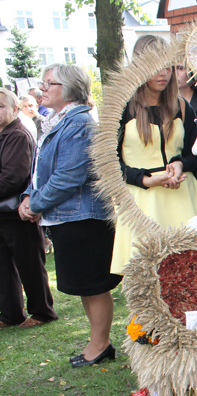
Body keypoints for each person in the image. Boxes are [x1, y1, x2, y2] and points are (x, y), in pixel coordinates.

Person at [18, 64, 121, 367]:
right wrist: (29, 195)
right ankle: (97, 342)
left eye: (50, 83)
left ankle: (100, 344)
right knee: (84, 285)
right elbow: (40, 170)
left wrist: (35, 204)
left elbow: (69, 177)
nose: (42, 88)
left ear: (69, 89)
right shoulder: (56, 120)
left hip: (83, 218)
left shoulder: (78, 124)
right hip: (67, 217)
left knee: (94, 285)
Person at [111, 35, 197, 275]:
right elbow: (107, 162)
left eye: (167, 66)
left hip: (183, 197)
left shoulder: (182, 106)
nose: (163, 73)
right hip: (141, 202)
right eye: (155, 67)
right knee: (147, 282)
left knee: (191, 275)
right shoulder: (121, 107)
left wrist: (180, 164)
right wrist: (144, 179)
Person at [0, 89, 57, 330]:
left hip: (19, 211)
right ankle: (10, 313)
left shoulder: (18, 134)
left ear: (15, 109)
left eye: (1, 106)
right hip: (3, 212)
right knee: (2, 267)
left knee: (30, 264)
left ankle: (42, 311)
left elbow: (13, 177)